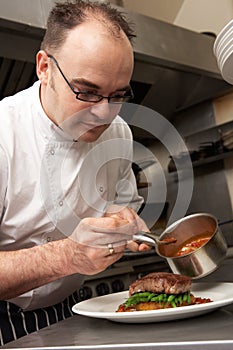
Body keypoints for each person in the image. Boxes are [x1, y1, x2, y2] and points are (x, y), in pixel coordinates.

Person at [0, 0, 150, 345]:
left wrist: (121, 224)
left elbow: (118, 203)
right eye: (86, 91)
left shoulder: (119, 133)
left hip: (67, 309)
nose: (103, 113)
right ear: (44, 68)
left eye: (118, 95)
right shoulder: (4, 136)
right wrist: (69, 255)